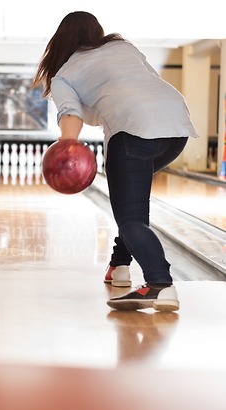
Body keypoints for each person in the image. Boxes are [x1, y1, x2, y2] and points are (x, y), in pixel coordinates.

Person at [32, 11, 198, 312]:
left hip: (133, 134)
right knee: (132, 205)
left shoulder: (64, 74)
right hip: (176, 129)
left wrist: (67, 150)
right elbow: (139, 88)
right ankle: (119, 266)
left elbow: (71, 116)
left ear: (59, 41)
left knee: (130, 218)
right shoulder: (124, 48)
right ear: (97, 32)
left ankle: (160, 285)